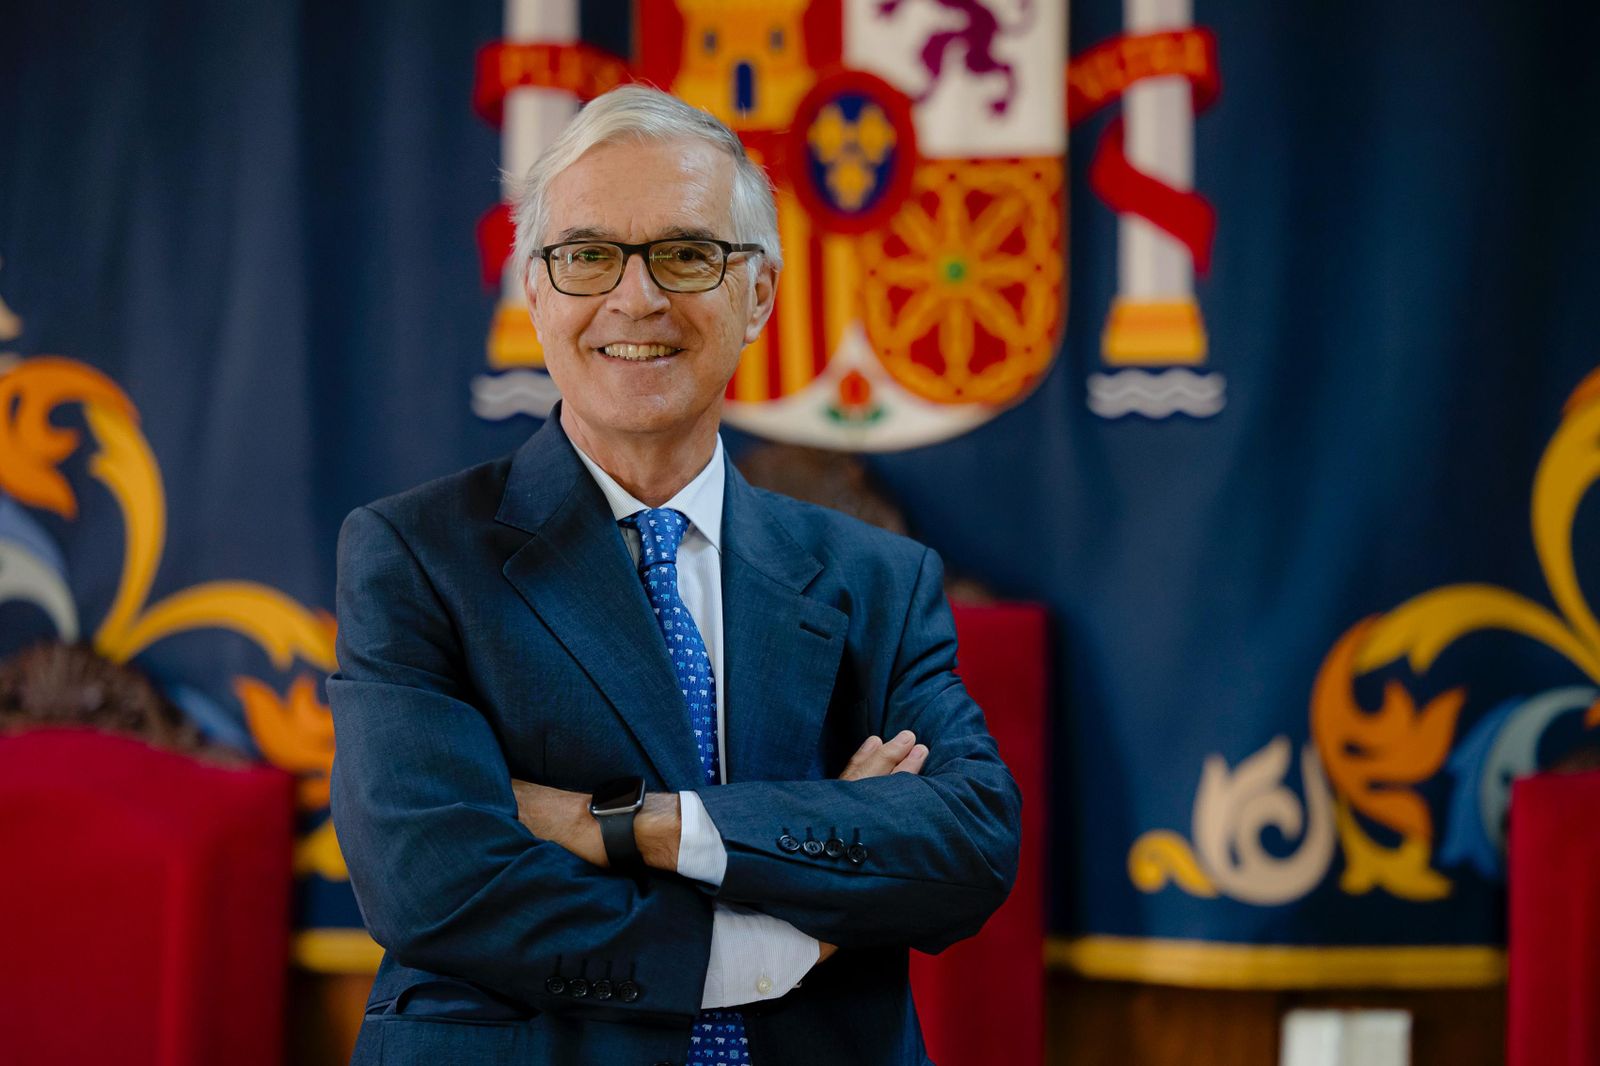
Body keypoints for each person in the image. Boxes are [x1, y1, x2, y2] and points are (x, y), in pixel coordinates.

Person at [328, 85, 1021, 1066]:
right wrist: (777, 936)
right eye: (587, 256)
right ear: (536, 291)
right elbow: (433, 878)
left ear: (760, 295)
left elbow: (967, 845)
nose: (637, 297)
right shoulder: (413, 555)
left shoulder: (880, 578)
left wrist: (629, 825)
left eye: (688, 253)